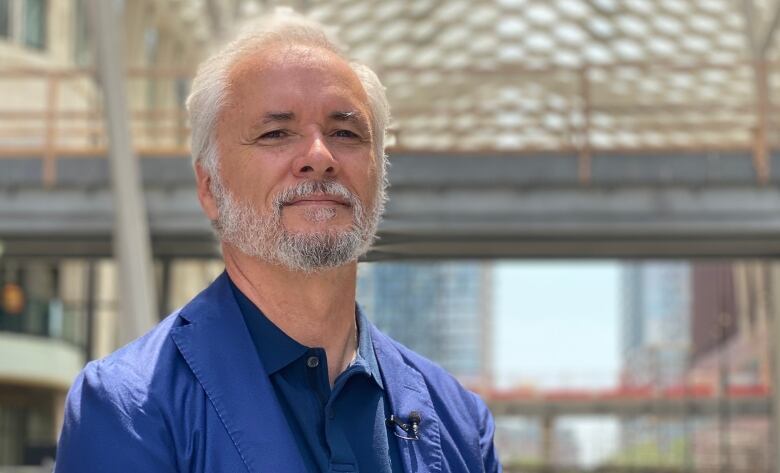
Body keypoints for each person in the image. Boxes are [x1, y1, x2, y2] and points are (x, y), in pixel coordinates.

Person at [54, 10, 501, 473]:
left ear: (379, 175)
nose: (320, 157)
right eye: (276, 133)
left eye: (345, 132)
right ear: (210, 189)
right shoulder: (130, 408)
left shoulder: (461, 424)